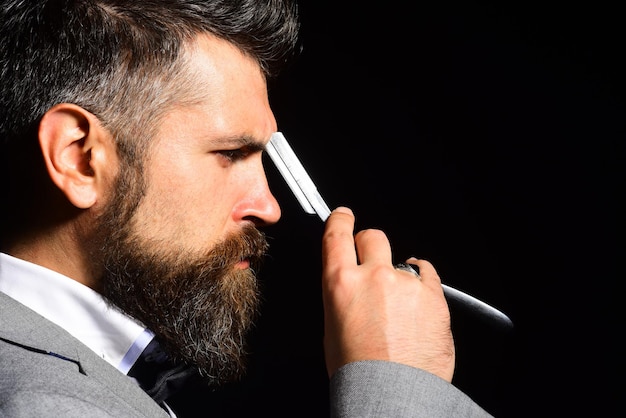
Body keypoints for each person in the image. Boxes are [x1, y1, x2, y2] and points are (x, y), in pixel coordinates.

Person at [0, 1, 493, 416]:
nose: (270, 207)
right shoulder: (47, 403)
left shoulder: (86, 369)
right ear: (79, 157)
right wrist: (398, 382)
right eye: (230, 153)